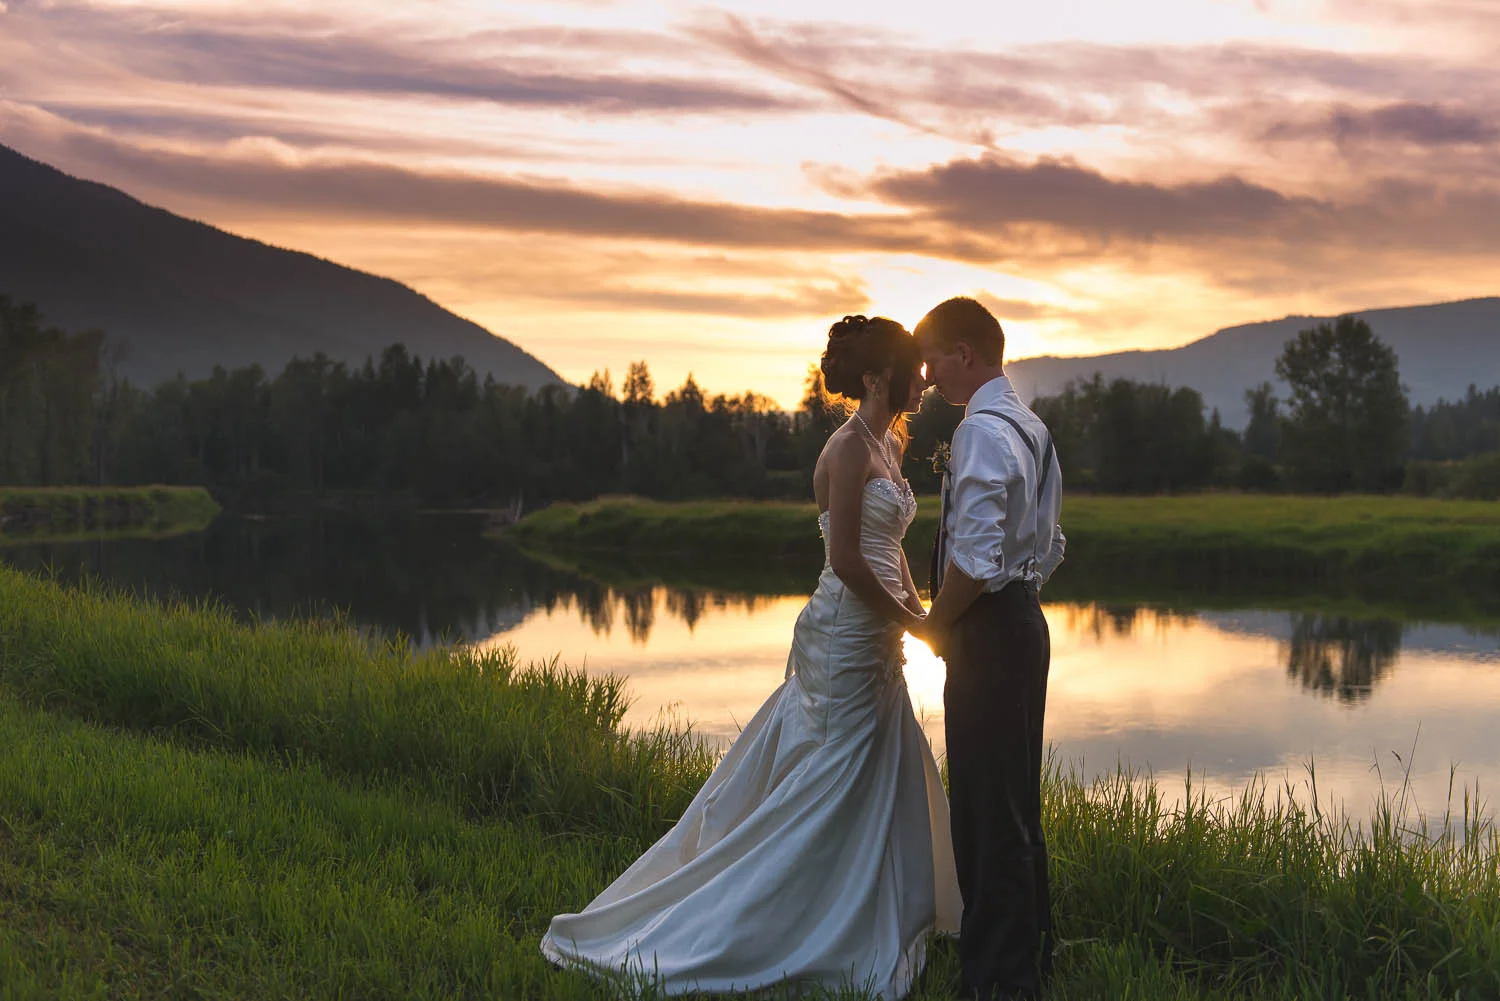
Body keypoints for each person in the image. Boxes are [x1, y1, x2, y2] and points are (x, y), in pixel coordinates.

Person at [541, 315, 961, 998]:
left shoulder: (891, 442)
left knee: (874, 766)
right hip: (846, 632)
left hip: (879, 631)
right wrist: (910, 620)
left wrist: (925, 616)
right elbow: (850, 561)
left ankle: (867, 907)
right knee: (831, 774)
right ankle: (768, 919)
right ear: (878, 376)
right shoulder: (848, 450)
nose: (924, 380)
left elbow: (892, 553)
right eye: (913, 368)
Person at [914, 297, 1065, 1001]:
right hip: (1023, 624)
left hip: (989, 628)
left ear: (966, 355)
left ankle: (997, 980)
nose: (927, 373)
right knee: (1014, 801)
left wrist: (938, 624)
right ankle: (1030, 957)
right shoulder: (1031, 427)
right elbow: (1049, 545)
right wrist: (1017, 600)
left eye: (933, 357)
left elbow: (973, 559)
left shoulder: (980, 432)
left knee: (983, 805)